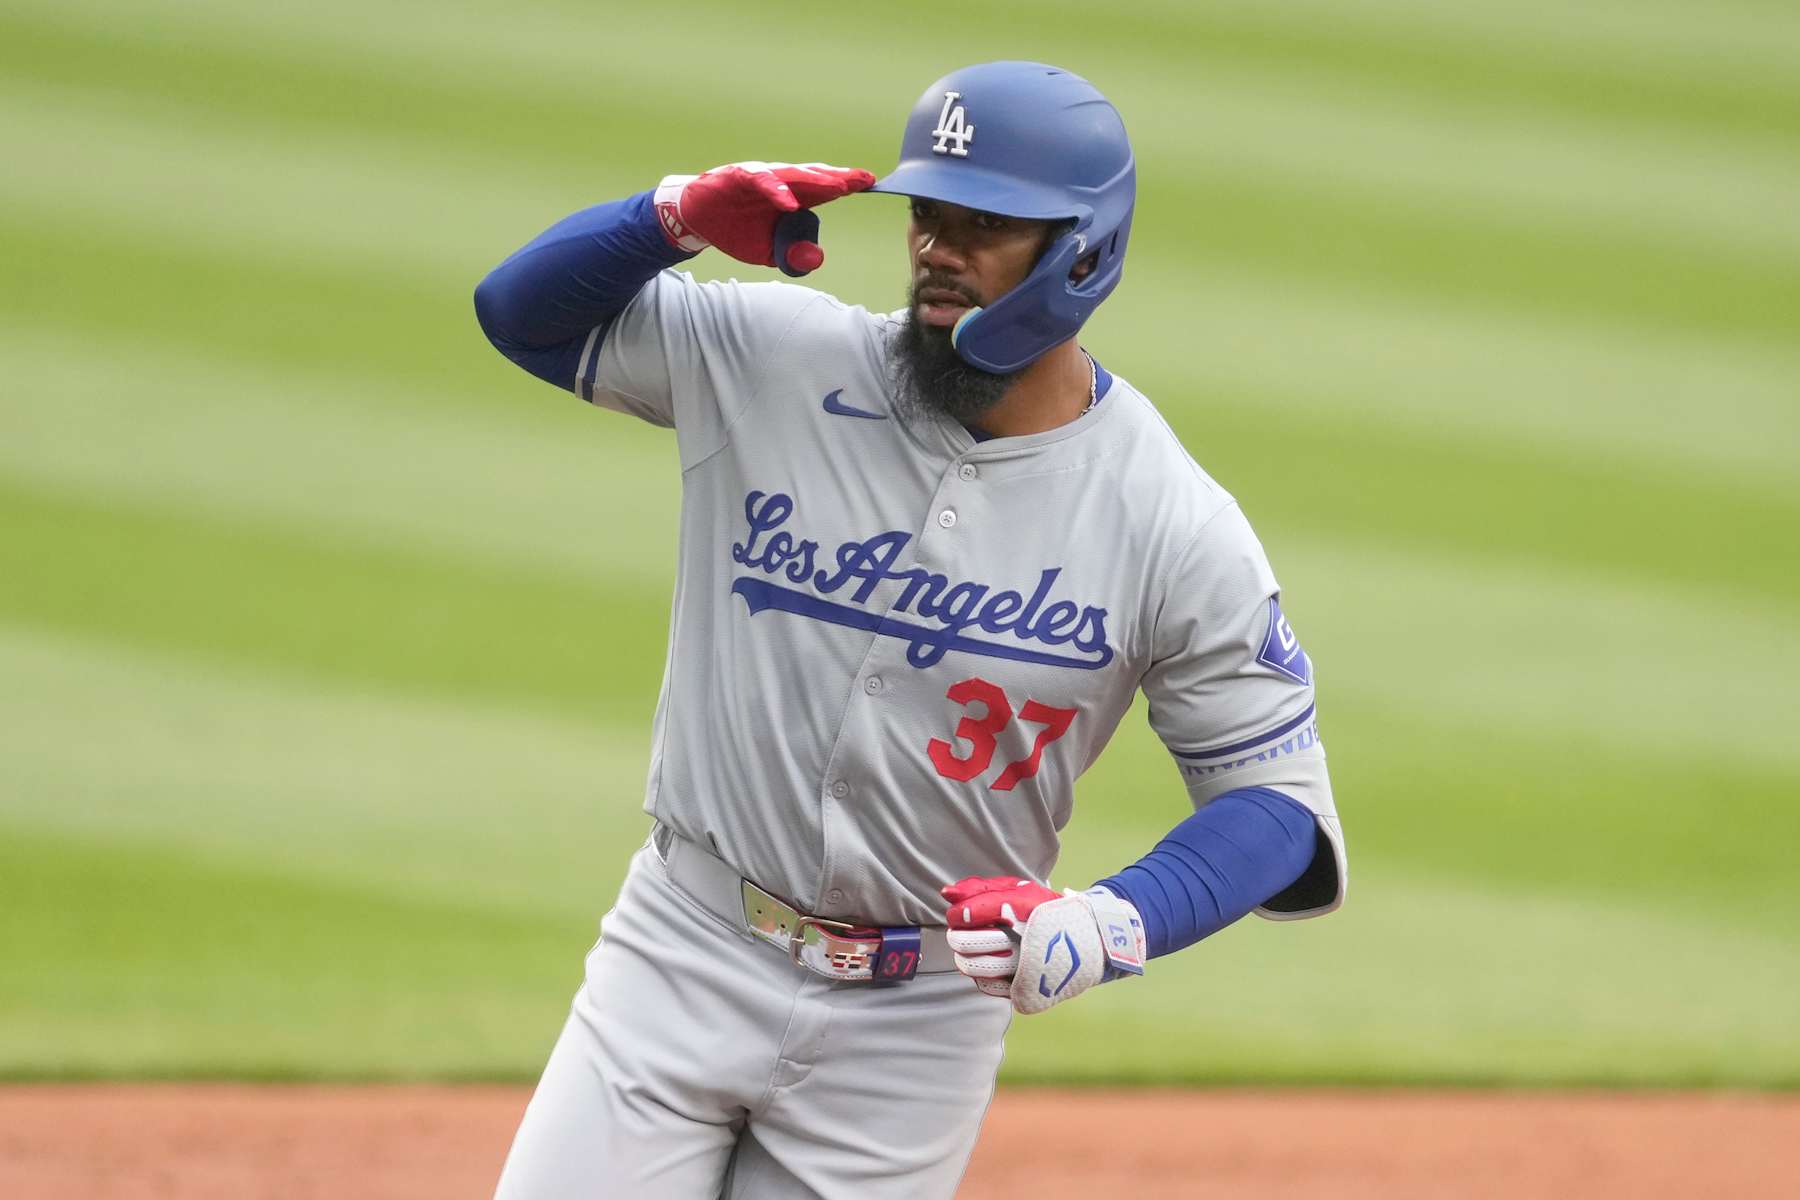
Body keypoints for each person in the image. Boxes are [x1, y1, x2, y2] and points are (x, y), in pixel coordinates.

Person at [473, 60, 1346, 1200]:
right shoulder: (776, 361)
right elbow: (521, 315)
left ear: (1083, 250)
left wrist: (1111, 920)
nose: (938, 245)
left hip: (915, 1026)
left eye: (985, 224)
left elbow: (1278, 809)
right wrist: (670, 217)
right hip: (682, 949)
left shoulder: (1170, 520)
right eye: (929, 213)